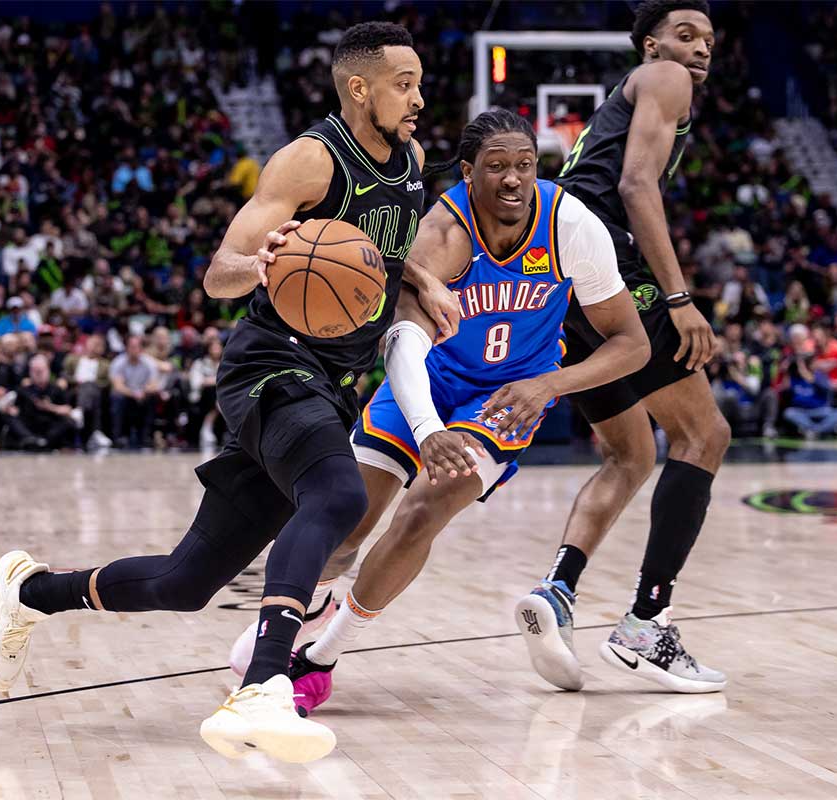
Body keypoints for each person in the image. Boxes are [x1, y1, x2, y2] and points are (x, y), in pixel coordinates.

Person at [0, 22, 458, 764]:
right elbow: (220, 272)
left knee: (185, 581)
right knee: (337, 496)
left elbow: (377, 261)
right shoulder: (309, 159)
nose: (420, 99)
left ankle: (33, 593)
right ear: (360, 88)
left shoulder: (413, 161)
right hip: (270, 363)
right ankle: (265, 685)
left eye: (420, 83)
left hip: (326, 382)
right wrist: (260, 263)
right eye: (406, 84)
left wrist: (421, 279)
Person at [251, 110, 648, 713]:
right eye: (496, 167)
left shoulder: (570, 224)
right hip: (427, 379)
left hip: (506, 399)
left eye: (524, 165)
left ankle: (323, 655)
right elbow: (402, 343)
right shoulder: (443, 231)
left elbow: (632, 344)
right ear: (468, 173)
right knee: (347, 523)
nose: (513, 179)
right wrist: (428, 428)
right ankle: (300, 613)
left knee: (422, 512)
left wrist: (550, 385)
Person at [519, 0, 730, 693]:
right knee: (704, 436)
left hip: (558, 269)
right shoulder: (668, 80)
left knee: (631, 453)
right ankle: (647, 622)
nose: (697, 49)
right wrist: (676, 297)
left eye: (706, 38)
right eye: (683, 34)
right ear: (652, 45)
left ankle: (557, 592)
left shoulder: (629, 95)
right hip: (604, 263)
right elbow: (637, 185)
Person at [1, 354, 76, 450]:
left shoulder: (56, 389)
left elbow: (68, 410)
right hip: (29, 425)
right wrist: (11, 410)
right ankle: (31, 439)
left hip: (50, 425)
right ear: (30, 372)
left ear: (48, 370)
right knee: (9, 418)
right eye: (35, 371)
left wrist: (49, 407)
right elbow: (15, 410)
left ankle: (44, 441)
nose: (38, 374)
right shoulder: (23, 390)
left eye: (41, 371)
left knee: (69, 422)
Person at [108, 334, 159, 448]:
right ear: (126, 348)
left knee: (154, 397)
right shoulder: (118, 363)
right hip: (126, 396)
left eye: (136, 347)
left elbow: (154, 385)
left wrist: (144, 391)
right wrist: (134, 394)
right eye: (131, 346)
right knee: (117, 397)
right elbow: (118, 386)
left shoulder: (149, 363)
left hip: (143, 395)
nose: (134, 350)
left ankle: (146, 437)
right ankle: (119, 437)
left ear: (141, 348)